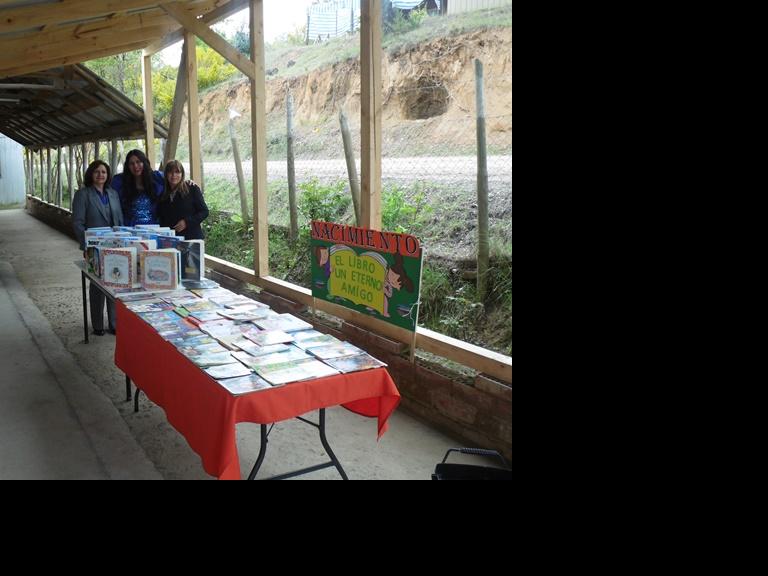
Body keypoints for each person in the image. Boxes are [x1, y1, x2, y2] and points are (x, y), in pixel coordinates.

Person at [72, 160, 124, 336]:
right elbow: (78, 222)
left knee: (114, 281)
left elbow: (120, 219)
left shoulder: (113, 194)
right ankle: (98, 325)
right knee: (96, 285)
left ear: (108, 174)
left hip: (115, 246)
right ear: (90, 174)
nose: (100, 175)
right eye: (97, 172)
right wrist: (86, 244)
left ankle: (114, 323)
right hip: (95, 248)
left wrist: (123, 239)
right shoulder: (83, 194)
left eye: (103, 172)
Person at [157, 160, 210, 240]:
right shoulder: (163, 195)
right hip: (171, 239)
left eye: (177, 172)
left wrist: (187, 222)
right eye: (170, 172)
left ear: (182, 174)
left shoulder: (192, 188)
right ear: (166, 174)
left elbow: (204, 211)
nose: (174, 175)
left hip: (191, 239)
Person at [111, 149, 164, 226]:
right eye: (131, 163)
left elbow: (173, 180)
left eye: (138, 162)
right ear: (128, 166)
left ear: (144, 163)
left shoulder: (156, 178)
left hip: (153, 229)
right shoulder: (120, 182)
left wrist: (186, 183)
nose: (135, 166)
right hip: (130, 231)